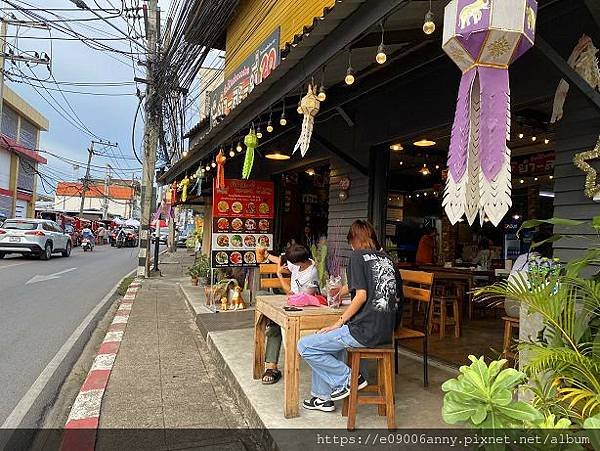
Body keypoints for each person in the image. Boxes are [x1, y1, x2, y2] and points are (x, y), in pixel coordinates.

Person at [297, 220, 402, 412]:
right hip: (386, 332)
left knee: (305, 345)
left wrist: (339, 322)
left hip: (364, 332)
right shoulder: (387, 260)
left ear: (354, 240)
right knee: (325, 343)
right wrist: (339, 293)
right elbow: (370, 288)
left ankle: (348, 379)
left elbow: (361, 295)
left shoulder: (357, 256)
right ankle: (322, 399)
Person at [260, 243, 319, 385]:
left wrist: (280, 275)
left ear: (299, 261)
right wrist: (267, 255)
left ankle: (272, 367)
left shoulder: (312, 274)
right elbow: (281, 262)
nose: (290, 265)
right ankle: (271, 366)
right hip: (292, 303)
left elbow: (293, 295)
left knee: (276, 324)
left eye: (292, 262)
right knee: (272, 319)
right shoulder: (300, 263)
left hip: (303, 308)